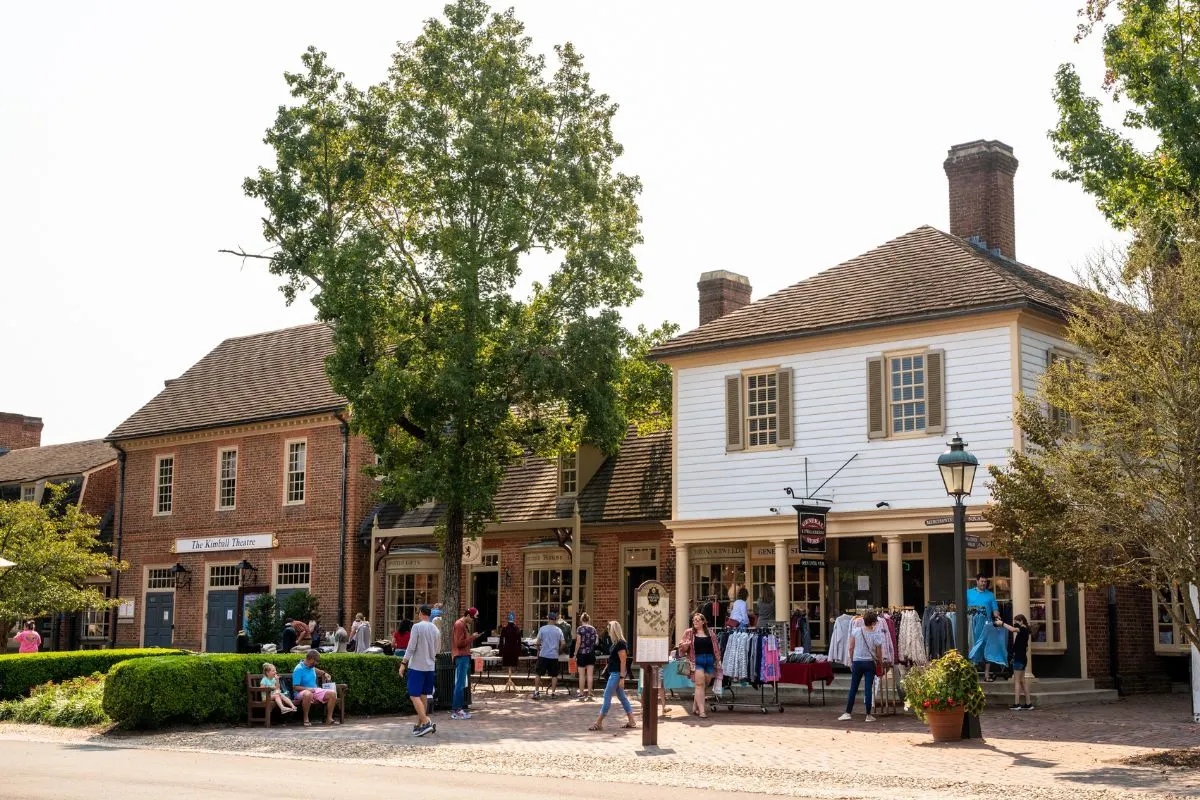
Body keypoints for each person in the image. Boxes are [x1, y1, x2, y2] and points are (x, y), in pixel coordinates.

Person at [838, 609, 885, 723]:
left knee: (853, 688)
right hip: (869, 663)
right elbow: (879, 653)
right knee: (868, 688)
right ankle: (868, 715)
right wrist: (880, 663)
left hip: (857, 662)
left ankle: (848, 712)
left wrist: (852, 660)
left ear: (863, 620)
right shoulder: (877, 634)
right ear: (874, 622)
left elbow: (851, 647)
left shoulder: (856, 631)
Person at [398, 605, 439, 737]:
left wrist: (403, 663)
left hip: (417, 666)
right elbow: (437, 650)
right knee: (423, 696)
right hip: (430, 666)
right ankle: (420, 725)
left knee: (413, 695)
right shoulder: (435, 629)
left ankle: (426, 722)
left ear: (421, 613)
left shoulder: (417, 627)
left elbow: (411, 647)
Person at [588, 621, 636, 731]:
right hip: (614, 673)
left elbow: (623, 660)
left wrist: (622, 678)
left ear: (613, 630)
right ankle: (631, 720)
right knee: (622, 697)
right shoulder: (615, 643)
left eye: (609, 629)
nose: (608, 631)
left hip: (616, 674)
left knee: (606, 696)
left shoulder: (620, 643)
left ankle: (599, 722)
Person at [678, 611, 723, 718]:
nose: (695, 622)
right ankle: (702, 711)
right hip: (696, 660)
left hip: (709, 660)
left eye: (698, 620)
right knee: (699, 685)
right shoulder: (689, 632)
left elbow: (716, 647)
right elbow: (681, 646)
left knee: (705, 685)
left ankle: (695, 706)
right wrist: (686, 645)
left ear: (703, 621)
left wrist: (718, 660)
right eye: (694, 620)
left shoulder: (710, 633)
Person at [967, 575, 1008, 682]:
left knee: (988, 649)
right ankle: (973, 676)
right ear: (977, 581)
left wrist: (997, 617)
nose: (984, 583)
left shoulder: (990, 595)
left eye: (985, 582)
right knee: (973, 648)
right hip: (972, 625)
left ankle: (986, 675)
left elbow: (995, 610)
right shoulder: (968, 593)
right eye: (982, 581)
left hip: (986, 626)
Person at [292, 649, 339, 727]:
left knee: (332, 694)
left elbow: (316, 670)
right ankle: (306, 718)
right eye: (316, 661)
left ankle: (329, 719)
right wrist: (307, 689)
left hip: (314, 690)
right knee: (308, 694)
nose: (317, 663)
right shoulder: (299, 669)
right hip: (301, 692)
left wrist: (324, 673)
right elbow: (295, 687)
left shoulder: (311, 667)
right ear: (311, 659)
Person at [451, 607, 477, 720]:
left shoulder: (462, 624)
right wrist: (472, 637)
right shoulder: (459, 625)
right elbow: (459, 643)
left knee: (461, 684)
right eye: (473, 618)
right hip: (461, 657)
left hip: (463, 656)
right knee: (460, 684)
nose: (473, 621)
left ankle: (458, 709)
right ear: (467, 615)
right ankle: (457, 710)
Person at [532, 610, 565, 699]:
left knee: (538, 674)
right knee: (554, 675)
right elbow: (563, 643)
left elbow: (538, 642)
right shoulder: (559, 630)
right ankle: (553, 693)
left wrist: (538, 650)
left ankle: (536, 692)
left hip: (543, 654)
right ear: (555, 620)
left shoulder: (543, 629)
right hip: (554, 655)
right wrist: (559, 651)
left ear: (548, 619)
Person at [1003, 614, 1034, 710]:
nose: (1015, 623)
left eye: (1016, 621)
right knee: (1022, 681)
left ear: (1021, 621)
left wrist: (1002, 623)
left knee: (1016, 681)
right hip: (1023, 658)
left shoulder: (1023, 629)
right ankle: (1028, 703)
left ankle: (1017, 704)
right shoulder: (1026, 631)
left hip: (1019, 659)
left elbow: (1012, 629)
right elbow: (1026, 648)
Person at [573, 613, 599, 701]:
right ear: (589, 619)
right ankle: (590, 692)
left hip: (581, 653)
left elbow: (578, 642)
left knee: (581, 675)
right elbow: (596, 642)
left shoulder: (580, 629)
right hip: (591, 653)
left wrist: (575, 653)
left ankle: (581, 693)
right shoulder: (593, 629)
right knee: (590, 675)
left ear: (581, 620)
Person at [499, 613, 522, 691]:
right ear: (514, 619)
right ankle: (509, 682)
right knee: (511, 666)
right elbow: (519, 642)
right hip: (514, 650)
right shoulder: (517, 629)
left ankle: (510, 682)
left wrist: (500, 651)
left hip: (507, 650)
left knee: (509, 666)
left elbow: (501, 641)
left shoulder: (504, 629)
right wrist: (519, 652)